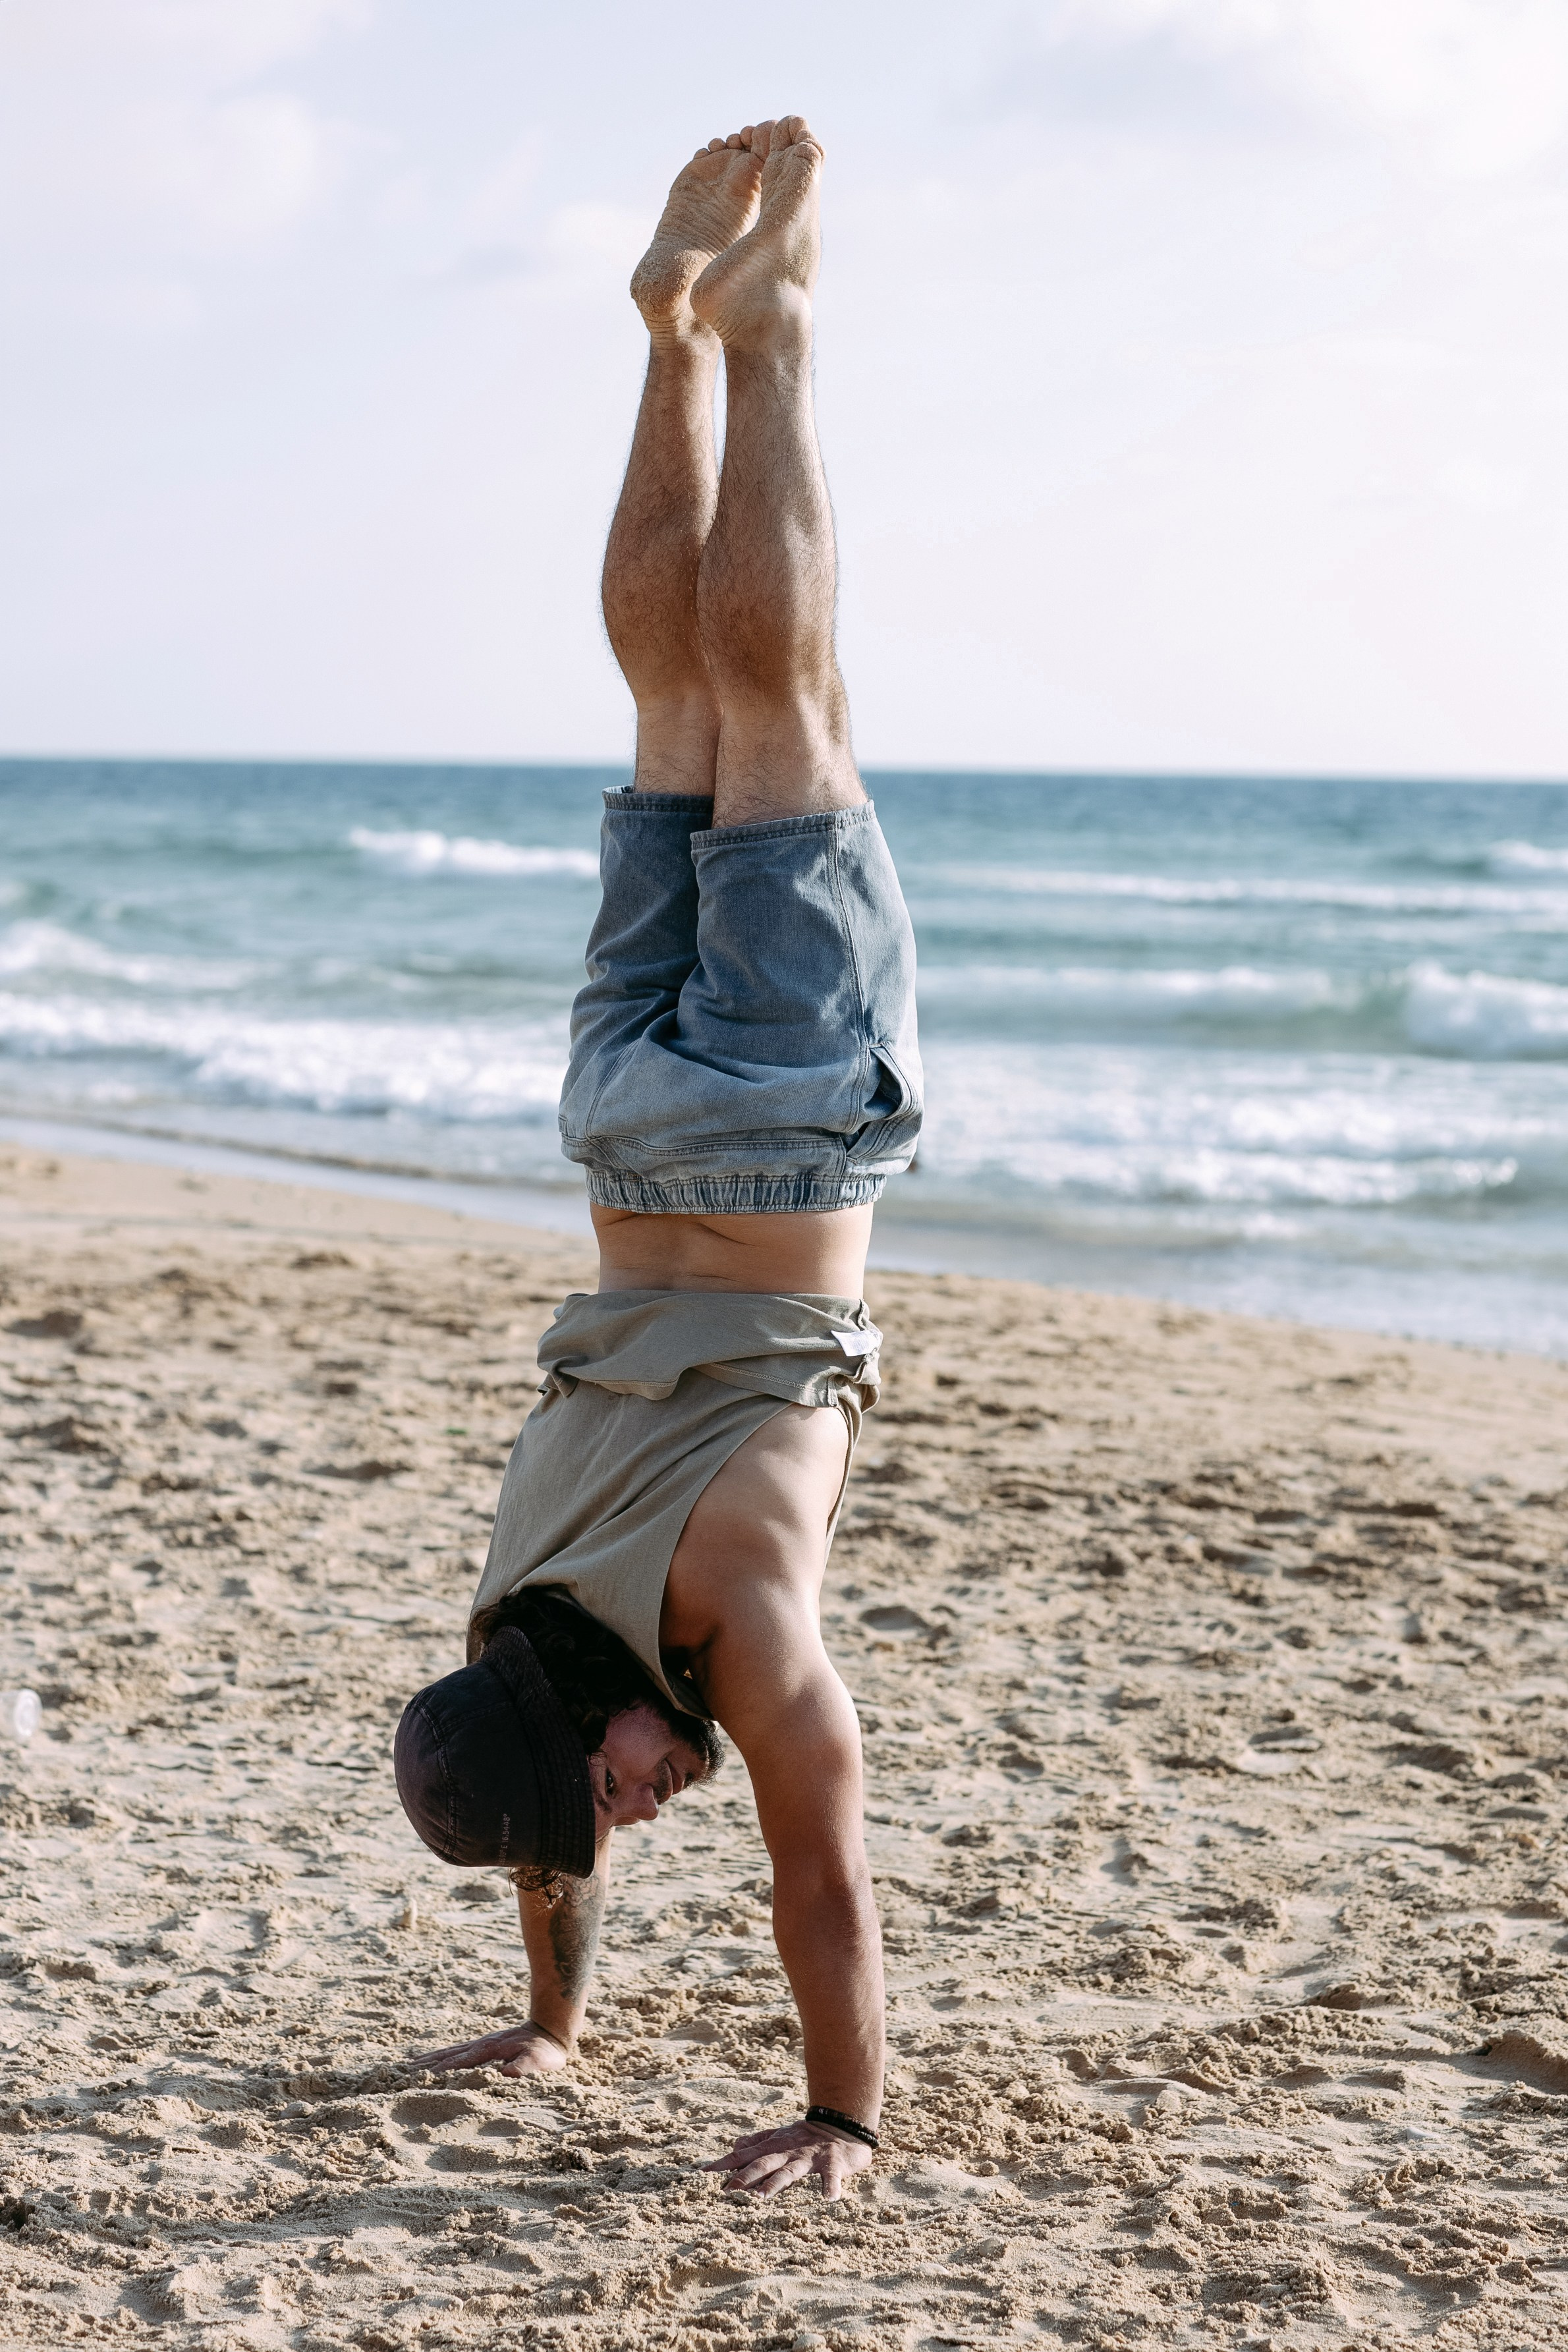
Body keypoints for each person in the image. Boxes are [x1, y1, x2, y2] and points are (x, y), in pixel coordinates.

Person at [393, 116, 921, 2202]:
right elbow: (558, 1781)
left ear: (566, 1711)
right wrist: (548, 2017)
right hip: (614, 1117)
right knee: (663, 703)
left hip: (783, 1128)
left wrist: (841, 2113)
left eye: (597, 1803)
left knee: (771, 691)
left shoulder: (732, 1619)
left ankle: (767, 338)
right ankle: (667, 344)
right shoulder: (519, 1601)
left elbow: (828, 1876)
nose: (631, 1815)